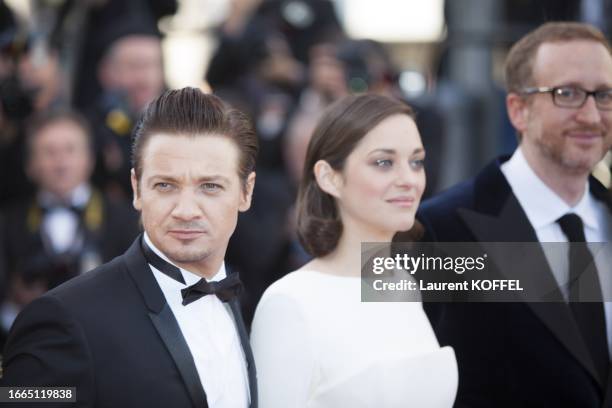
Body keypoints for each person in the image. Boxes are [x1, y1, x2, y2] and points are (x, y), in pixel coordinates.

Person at [1, 88, 258, 408]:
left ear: (245, 193)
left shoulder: (240, 305)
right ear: (137, 189)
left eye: (210, 186)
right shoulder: (66, 318)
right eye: (165, 185)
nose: (186, 209)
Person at [417, 22, 612, 407]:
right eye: (567, 94)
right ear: (518, 109)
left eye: (604, 94)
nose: (591, 115)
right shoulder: (438, 230)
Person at [250, 94, 458, 407]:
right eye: (383, 162)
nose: (409, 180)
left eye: (416, 162)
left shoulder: (403, 284)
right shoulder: (290, 303)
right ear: (329, 177)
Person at [0, 109, 139, 347]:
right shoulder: (8, 224)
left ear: (89, 159)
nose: (61, 163)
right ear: (30, 165)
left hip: (107, 352)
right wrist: (16, 306)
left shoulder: (125, 219)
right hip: (30, 351)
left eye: (70, 150)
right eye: (49, 152)